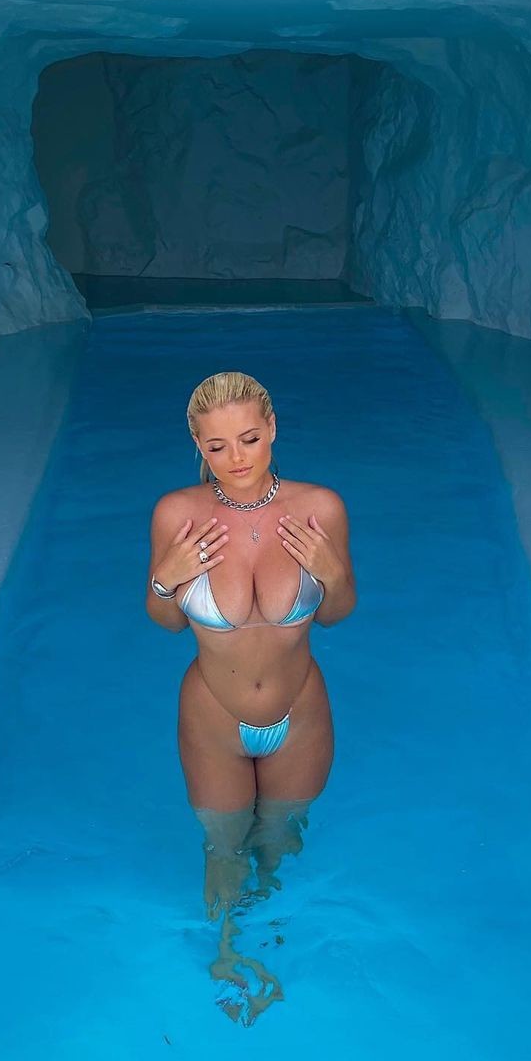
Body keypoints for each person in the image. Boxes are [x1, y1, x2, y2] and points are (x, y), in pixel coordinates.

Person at [146, 370, 356, 1023]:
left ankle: (274, 958)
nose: (235, 458)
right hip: (213, 717)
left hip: (301, 714)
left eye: (248, 439)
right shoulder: (177, 515)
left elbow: (337, 613)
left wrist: (333, 573)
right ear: (198, 446)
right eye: (216, 446)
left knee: (280, 843)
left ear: (272, 429)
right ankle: (227, 958)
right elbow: (166, 621)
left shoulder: (320, 508)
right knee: (223, 849)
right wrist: (165, 580)